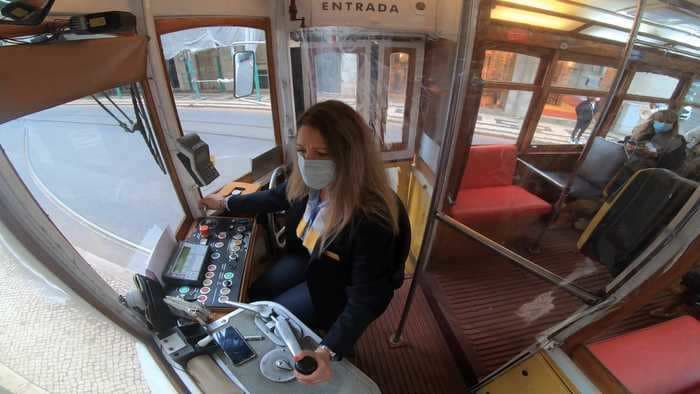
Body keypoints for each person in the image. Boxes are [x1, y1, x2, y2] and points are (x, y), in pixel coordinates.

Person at [200, 100, 407, 384]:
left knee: (279, 316)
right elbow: (275, 197)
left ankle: (329, 337)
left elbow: (368, 297)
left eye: (321, 153)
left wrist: (327, 350)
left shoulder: (373, 219)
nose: (308, 162)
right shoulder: (309, 181)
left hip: (339, 281)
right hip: (309, 258)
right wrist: (226, 202)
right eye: (301, 151)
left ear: (351, 157)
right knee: (259, 292)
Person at [606, 109, 687, 196]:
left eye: (668, 122)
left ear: (674, 124)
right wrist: (628, 145)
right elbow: (629, 141)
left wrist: (656, 155)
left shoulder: (678, 141)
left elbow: (675, 163)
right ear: (653, 121)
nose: (663, 124)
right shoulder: (643, 131)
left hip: (648, 178)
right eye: (660, 121)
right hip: (626, 169)